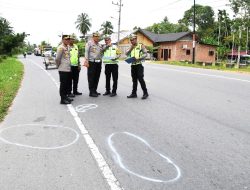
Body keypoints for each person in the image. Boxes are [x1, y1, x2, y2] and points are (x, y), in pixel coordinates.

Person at [126, 34, 149, 99]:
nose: (132, 41)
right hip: (133, 65)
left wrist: (139, 58)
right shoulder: (131, 47)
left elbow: (145, 54)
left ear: (136, 39)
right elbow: (126, 54)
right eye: (131, 40)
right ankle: (134, 93)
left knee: (140, 78)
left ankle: (145, 93)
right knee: (134, 80)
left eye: (133, 40)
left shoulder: (141, 45)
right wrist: (131, 49)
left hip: (139, 64)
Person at [84, 32, 103, 97]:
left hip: (98, 62)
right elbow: (86, 52)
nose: (97, 38)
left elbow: (101, 52)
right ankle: (91, 92)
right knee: (91, 77)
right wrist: (86, 60)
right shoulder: (89, 43)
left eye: (98, 37)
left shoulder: (99, 45)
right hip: (92, 62)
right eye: (95, 36)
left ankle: (95, 90)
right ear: (93, 37)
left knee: (97, 77)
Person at [55, 35, 73, 104]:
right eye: (66, 39)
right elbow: (57, 59)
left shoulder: (67, 47)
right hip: (63, 69)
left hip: (68, 69)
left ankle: (66, 97)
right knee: (63, 84)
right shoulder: (60, 47)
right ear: (63, 40)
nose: (68, 41)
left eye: (68, 39)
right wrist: (58, 66)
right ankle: (62, 99)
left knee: (67, 84)